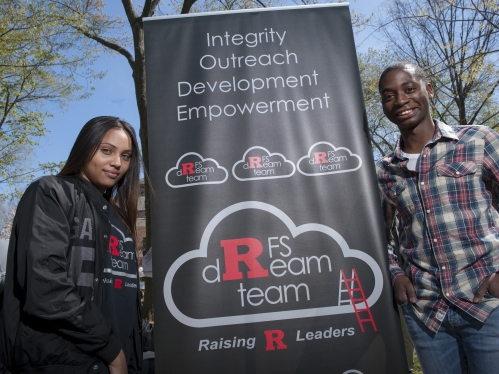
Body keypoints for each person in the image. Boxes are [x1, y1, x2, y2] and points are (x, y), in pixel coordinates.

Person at [376, 62, 499, 373]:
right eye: (389, 95)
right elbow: (379, 234)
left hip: (487, 304)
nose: (400, 100)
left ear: (428, 90)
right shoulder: (385, 171)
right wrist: (395, 275)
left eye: (409, 89)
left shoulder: (478, 140)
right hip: (427, 314)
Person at [1, 116, 143, 373]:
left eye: (126, 156)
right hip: (66, 361)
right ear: (85, 148)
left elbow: (119, 298)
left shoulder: (119, 220)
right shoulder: (51, 193)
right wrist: (112, 351)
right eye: (107, 150)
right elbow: (45, 289)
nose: (117, 163)